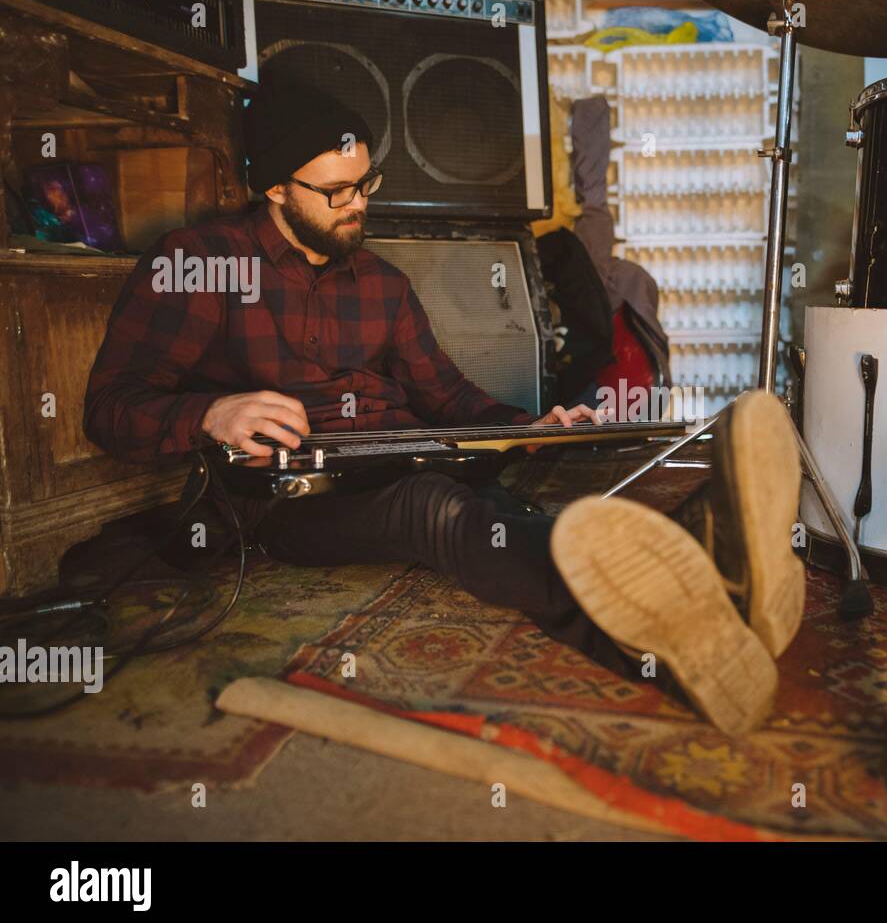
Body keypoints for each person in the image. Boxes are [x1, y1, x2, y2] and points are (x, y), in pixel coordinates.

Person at [83, 82, 806, 735]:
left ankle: (708, 588)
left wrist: (531, 426)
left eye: (365, 182)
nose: (358, 203)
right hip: (284, 499)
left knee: (505, 514)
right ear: (274, 188)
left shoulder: (383, 284)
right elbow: (111, 408)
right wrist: (212, 412)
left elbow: (449, 398)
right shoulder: (201, 263)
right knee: (435, 512)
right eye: (335, 192)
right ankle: (699, 595)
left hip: (402, 451)